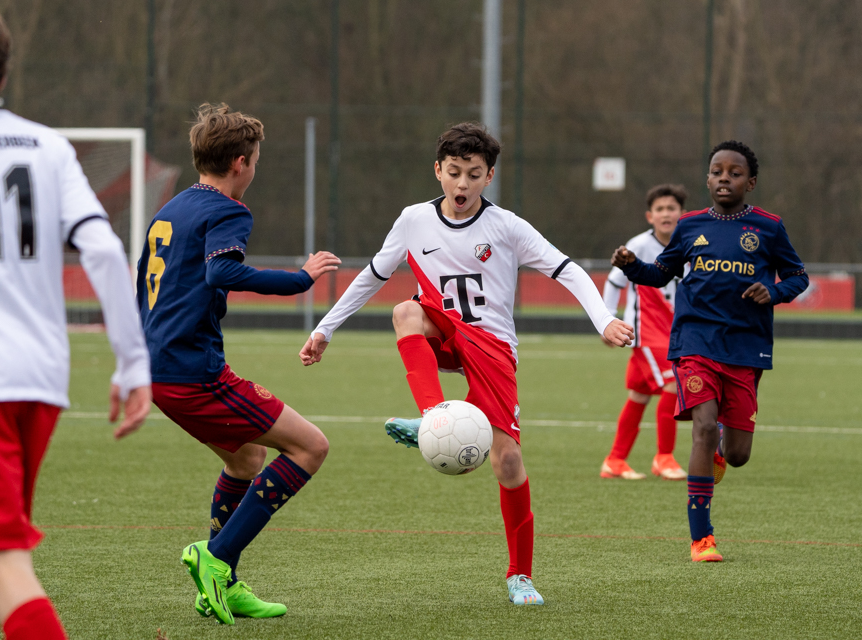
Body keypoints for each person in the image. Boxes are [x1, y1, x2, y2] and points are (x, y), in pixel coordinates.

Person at [300, 122, 634, 605]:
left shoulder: (507, 226)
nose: (462, 184)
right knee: (406, 311)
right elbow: (373, 275)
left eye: (473, 174)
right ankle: (433, 416)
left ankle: (520, 575)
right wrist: (324, 329)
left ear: (489, 176)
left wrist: (603, 319)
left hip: (493, 347)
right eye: (454, 172)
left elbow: (568, 270)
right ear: (437, 170)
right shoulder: (413, 220)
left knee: (508, 461)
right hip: (442, 332)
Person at [0, 2, 152, 639]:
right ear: (2, 69)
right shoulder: (47, 146)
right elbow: (102, 250)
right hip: (40, 379)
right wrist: (132, 362)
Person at [137, 102, 338, 625]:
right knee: (311, 446)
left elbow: (144, 286)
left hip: (157, 368)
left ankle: (219, 586)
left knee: (246, 459)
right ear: (241, 163)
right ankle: (217, 558)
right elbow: (221, 272)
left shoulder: (171, 208)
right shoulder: (229, 209)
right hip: (192, 373)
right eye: (256, 161)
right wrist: (300, 279)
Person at [611, 140, 808, 562]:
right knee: (701, 427)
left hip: (746, 347)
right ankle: (702, 538)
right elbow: (659, 273)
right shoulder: (689, 226)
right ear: (707, 178)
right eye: (717, 171)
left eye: (735, 173)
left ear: (750, 182)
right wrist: (630, 266)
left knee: (738, 456)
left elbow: (798, 276)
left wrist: (774, 292)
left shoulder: (769, 227)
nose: (724, 178)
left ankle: (722, 447)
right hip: (695, 342)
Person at [601, 184, 688, 481]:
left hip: (673, 329)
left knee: (638, 395)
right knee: (674, 383)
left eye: (671, 208)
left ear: (682, 214)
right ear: (650, 216)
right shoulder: (638, 245)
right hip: (645, 332)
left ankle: (615, 460)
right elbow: (614, 282)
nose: (666, 214)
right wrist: (606, 320)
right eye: (660, 209)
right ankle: (664, 458)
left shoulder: (689, 244)